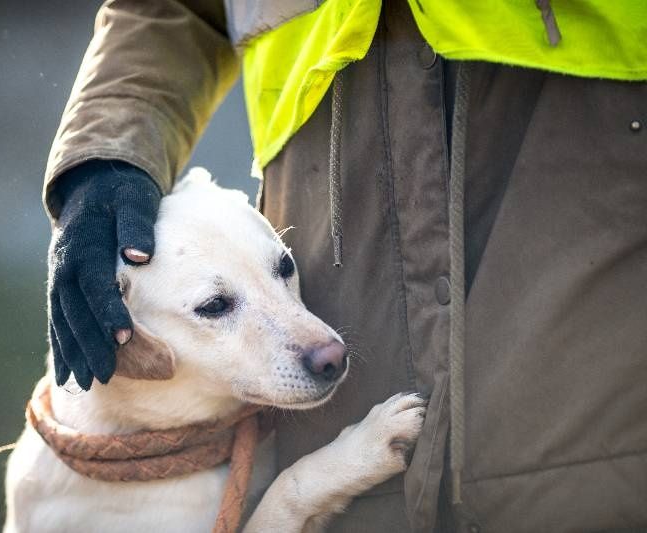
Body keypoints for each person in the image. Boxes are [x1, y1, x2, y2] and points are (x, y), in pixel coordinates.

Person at [42, 1, 647, 531]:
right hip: (344, 232)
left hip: (570, 187)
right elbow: (174, 8)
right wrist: (104, 159)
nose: (322, 346)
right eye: (216, 306)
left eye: (281, 269)